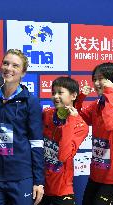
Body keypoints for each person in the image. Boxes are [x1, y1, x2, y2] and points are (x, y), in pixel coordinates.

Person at [0, 49, 44, 205]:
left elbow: (36, 143)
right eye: (5, 63)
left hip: (21, 177)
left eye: (15, 65)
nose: (8, 68)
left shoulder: (30, 102)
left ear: (23, 73)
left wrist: (39, 181)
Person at [76, 62, 113, 205]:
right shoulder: (97, 104)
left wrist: (109, 92)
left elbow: (111, 123)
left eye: (100, 79)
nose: (96, 83)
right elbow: (78, 118)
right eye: (94, 79)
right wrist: (81, 97)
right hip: (97, 172)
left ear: (112, 80)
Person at [40, 76, 89, 205]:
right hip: (40, 186)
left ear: (73, 95)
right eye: (53, 93)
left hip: (62, 191)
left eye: (60, 93)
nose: (55, 97)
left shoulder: (80, 126)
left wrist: (70, 121)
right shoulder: (47, 113)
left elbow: (63, 156)